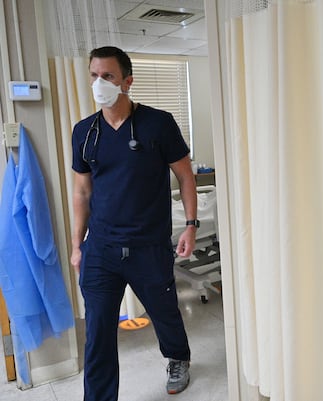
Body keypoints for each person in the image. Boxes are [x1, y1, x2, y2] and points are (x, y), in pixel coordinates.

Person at [70, 46, 199, 400]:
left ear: (127, 81)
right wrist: (77, 246)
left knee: (165, 312)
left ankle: (178, 357)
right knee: (97, 331)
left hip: (148, 246)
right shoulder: (85, 131)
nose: (99, 83)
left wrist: (190, 224)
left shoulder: (157, 123)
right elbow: (82, 193)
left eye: (108, 76)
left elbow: (186, 176)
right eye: (94, 75)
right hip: (101, 248)